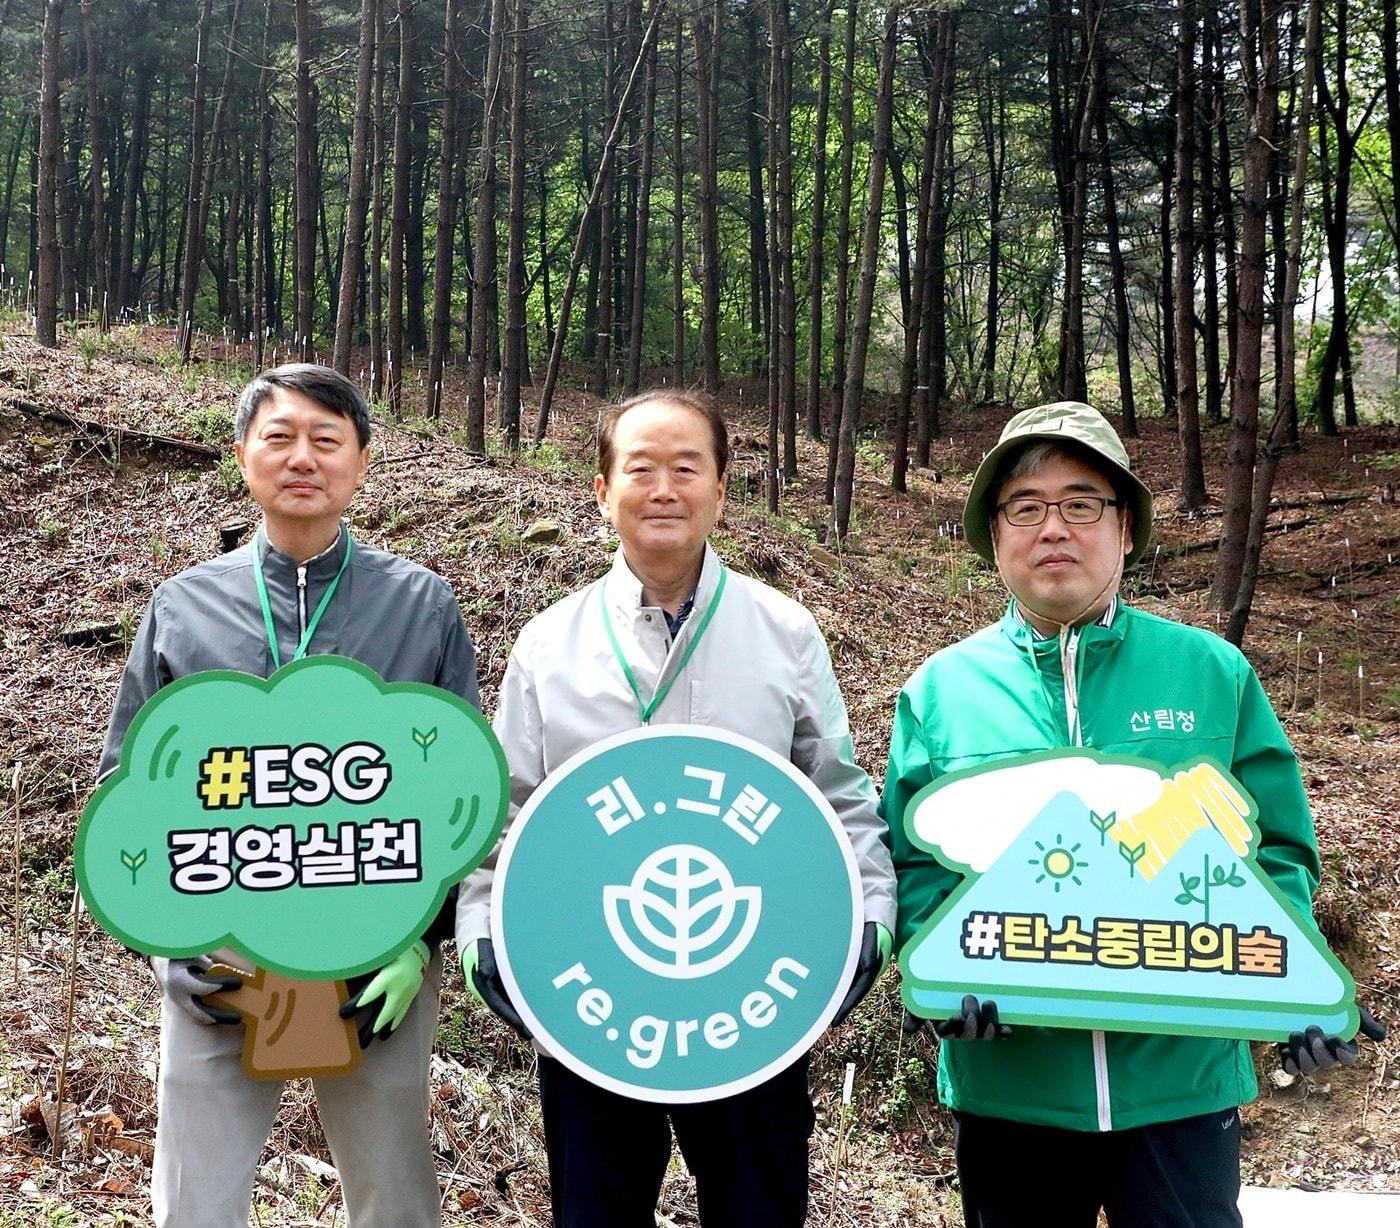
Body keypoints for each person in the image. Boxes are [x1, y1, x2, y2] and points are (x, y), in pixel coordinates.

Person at [879, 401, 1385, 1228]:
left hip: (1181, 1083)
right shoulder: (941, 693)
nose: (1055, 529)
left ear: (1124, 529)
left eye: (1082, 504)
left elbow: (1279, 851)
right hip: (1014, 1090)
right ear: (994, 534)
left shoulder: (1210, 674)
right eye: (1027, 507)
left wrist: (1299, 980)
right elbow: (912, 863)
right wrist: (946, 973)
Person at [457, 389, 896, 1228]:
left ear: (722, 489)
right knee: (598, 1211)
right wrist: (483, 934)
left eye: (687, 467)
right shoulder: (551, 643)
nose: (665, 488)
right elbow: (505, 814)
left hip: (753, 994)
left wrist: (870, 915)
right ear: (601, 490)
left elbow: (838, 792)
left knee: (759, 1210)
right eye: (642, 468)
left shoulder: (784, 630)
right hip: (592, 994)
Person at [98, 363, 479, 1227]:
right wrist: (175, 943)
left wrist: (419, 942)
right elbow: (131, 784)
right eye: (280, 437)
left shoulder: (421, 604)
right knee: (195, 1199)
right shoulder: (184, 605)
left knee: (395, 1199)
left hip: (377, 956)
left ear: (363, 460)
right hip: (222, 961)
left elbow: (460, 791)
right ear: (243, 456)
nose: (302, 457)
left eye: (326, 439)